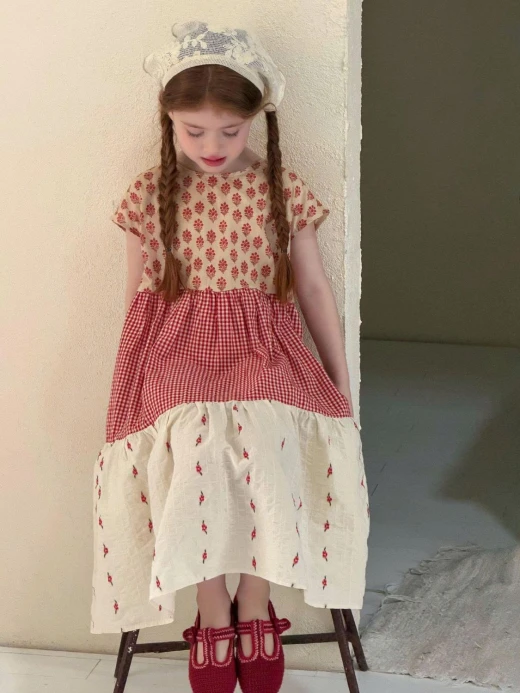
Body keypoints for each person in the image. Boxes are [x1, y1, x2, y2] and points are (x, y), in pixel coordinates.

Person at [90, 18, 370, 693]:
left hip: (263, 347)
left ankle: (255, 596)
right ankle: (211, 601)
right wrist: (129, 383)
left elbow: (312, 288)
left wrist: (339, 379)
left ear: (257, 121)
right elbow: (135, 300)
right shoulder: (150, 194)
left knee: (266, 437)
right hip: (177, 351)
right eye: (194, 132)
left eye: (230, 131)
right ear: (169, 121)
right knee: (198, 442)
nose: (212, 147)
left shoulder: (281, 189)